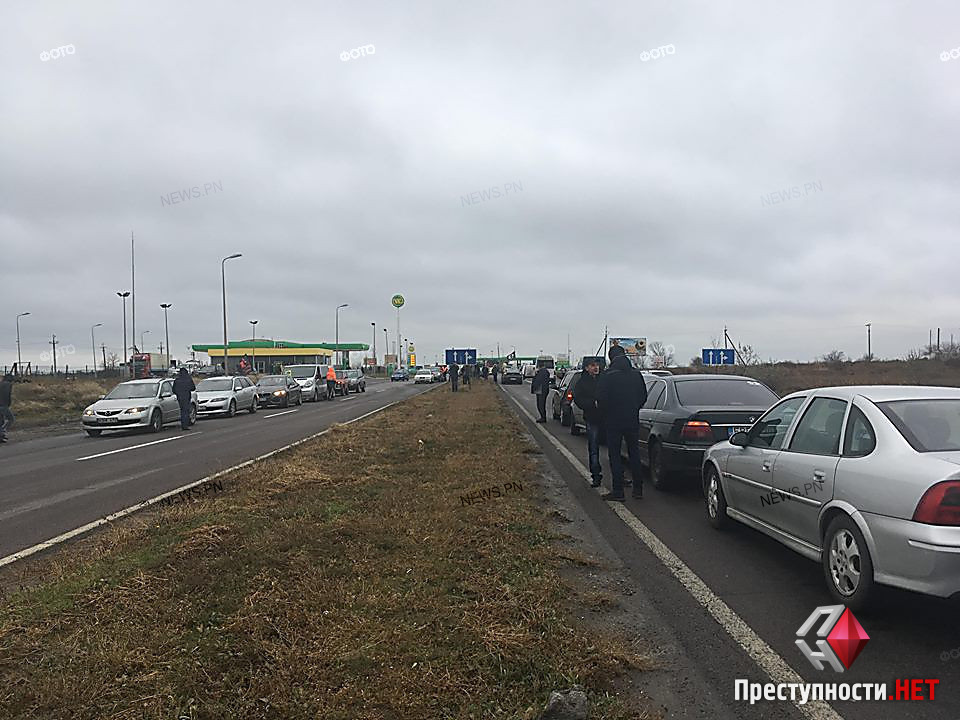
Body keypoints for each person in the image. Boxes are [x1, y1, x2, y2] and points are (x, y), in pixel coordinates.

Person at [597, 345, 647, 500]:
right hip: (632, 418)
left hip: (613, 420)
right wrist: (634, 407)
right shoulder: (636, 374)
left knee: (615, 455)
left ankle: (618, 491)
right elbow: (643, 396)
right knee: (634, 454)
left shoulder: (608, 375)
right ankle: (638, 489)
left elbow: (601, 398)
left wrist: (606, 413)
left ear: (611, 358)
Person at [573, 358, 603, 487]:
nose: (596, 368)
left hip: (607, 417)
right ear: (586, 368)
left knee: (615, 448)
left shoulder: (604, 379)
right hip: (592, 417)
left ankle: (619, 475)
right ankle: (596, 475)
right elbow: (578, 399)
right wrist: (591, 404)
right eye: (592, 365)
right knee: (594, 447)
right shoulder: (582, 382)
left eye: (597, 365)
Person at [172, 367, 196, 431]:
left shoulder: (177, 380)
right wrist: (187, 389)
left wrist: (178, 393)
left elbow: (173, 390)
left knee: (182, 410)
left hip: (180, 397)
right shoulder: (188, 379)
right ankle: (185, 425)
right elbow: (193, 388)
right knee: (186, 411)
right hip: (186, 396)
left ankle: (183, 424)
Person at [0, 374, 14, 443]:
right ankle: (2, 431)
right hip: (3, 405)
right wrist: (8, 404)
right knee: (11, 419)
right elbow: (7, 395)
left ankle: (1, 436)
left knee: (1, 421)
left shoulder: (1, 383)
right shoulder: (8, 385)